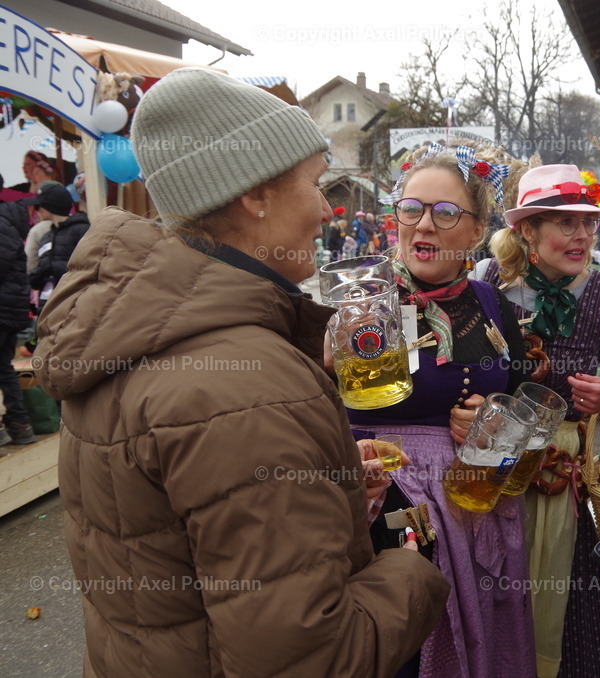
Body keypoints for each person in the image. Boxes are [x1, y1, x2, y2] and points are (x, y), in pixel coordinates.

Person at [33, 68, 449, 677]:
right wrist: (411, 567)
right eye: (312, 183)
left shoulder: (126, 333)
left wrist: (326, 498)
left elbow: (174, 547)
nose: (327, 207)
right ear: (255, 195)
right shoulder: (249, 386)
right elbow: (315, 658)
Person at [348, 141, 534, 678]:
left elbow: (523, 406)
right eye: (412, 208)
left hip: (478, 505)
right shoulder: (365, 301)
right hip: (391, 507)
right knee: (408, 648)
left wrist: (495, 426)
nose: (424, 225)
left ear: (476, 231)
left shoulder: (490, 301)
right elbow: (334, 407)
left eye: (445, 212)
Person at [475, 163, 600, 678]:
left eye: (589, 223)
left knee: (559, 595)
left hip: (558, 479)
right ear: (527, 230)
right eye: (565, 223)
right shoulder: (487, 283)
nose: (582, 236)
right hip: (491, 462)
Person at [0, 194, 36, 446]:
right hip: (9, 308)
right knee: (3, 366)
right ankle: (19, 424)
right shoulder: (7, 221)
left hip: (3, 308)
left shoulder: (1, 224)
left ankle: (17, 425)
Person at [25, 183, 90, 310]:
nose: (36, 210)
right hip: (48, 306)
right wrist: (36, 278)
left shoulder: (81, 230)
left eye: (39, 206)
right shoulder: (47, 236)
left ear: (50, 206)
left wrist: (52, 267)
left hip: (73, 305)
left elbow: (89, 267)